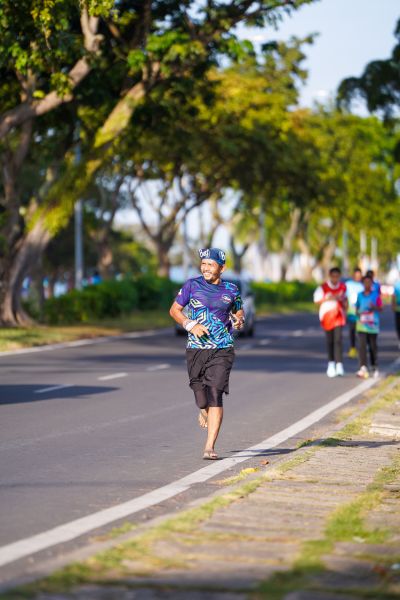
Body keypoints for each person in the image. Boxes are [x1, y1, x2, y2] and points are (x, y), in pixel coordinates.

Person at [169, 248, 245, 460]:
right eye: (203, 264)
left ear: (222, 268)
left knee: (215, 394)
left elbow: (239, 310)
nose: (205, 268)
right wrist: (190, 324)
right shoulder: (191, 285)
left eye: (210, 264)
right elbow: (174, 310)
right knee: (202, 400)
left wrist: (239, 319)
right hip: (196, 349)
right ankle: (203, 409)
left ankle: (209, 446)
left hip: (222, 348)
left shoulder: (231, 289)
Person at [314, 267, 347, 377]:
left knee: (338, 340)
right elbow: (316, 300)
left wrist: (343, 302)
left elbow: (345, 300)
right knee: (330, 341)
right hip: (327, 317)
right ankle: (331, 364)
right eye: (333, 276)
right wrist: (328, 298)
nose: (335, 279)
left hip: (338, 316)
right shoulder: (323, 287)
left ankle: (339, 364)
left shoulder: (343, 287)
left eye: (337, 276)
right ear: (330, 276)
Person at [355, 274, 383, 379]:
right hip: (361, 325)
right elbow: (357, 308)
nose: (367, 284)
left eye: (369, 282)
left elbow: (381, 308)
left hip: (373, 326)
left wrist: (374, 307)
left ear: (372, 283)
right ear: (362, 283)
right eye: (365, 282)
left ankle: (374, 366)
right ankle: (363, 367)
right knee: (362, 346)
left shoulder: (376, 295)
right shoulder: (359, 295)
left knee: (372, 346)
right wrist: (359, 313)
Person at [345, 267, 364, 358]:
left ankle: (362, 348)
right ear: (353, 275)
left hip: (361, 313)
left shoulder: (363, 285)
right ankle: (353, 348)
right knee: (352, 331)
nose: (357, 277)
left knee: (361, 332)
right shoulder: (348, 285)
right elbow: (345, 298)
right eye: (356, 275)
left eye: (359, 276)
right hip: (351, 312)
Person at [391, 277, 400, 350]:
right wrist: (393, 305)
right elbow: (394, 296)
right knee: (398, 326)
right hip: (398, 309)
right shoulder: (397, 285)